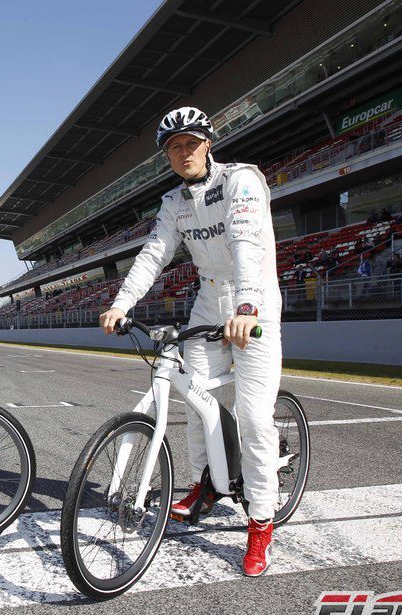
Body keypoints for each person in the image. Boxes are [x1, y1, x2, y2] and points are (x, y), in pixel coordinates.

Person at [99, 106, 282, 578]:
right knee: (193, 396)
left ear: (208, 143)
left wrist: (245, 309)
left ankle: (261, 519)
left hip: (254, 300)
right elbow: (153, 254)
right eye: (174, 147)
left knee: (256, 420)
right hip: (208, 301)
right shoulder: (174, 201)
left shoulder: (241, 180)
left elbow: (246, 245)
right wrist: (121, 304)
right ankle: (208, 482)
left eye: (191, 143)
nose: (184, 152)